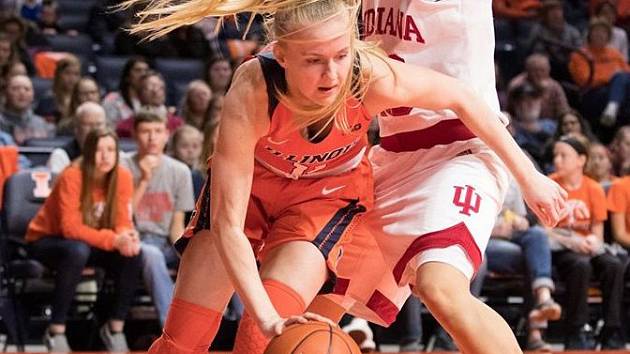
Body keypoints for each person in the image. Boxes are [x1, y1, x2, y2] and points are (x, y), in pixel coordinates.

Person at [123, 1, 567, 353]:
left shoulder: (366, 74)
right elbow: (228, 226)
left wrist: (529, 177)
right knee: (182, 342)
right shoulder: (254, 88)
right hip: (259, 190)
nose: (332, 73)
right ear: (281, 54)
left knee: (266, 341)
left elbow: (460, 96)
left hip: (326, 196)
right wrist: (259, 310)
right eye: (315, 60)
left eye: (340, 56)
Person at [25, 128, 142, 352]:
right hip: (47, 240)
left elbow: (121, 221)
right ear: (88, 152)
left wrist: (126, 236)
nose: (105, 156)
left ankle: (114, 327)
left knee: (133, 254)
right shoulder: (72, 175)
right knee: (77, 251)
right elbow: (71, 229)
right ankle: (56, 329)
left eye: (110, 150)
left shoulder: (123, 177)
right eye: (99, 150)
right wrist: (114, 239)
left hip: (91, 242)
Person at [548, 135, 626, 349]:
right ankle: (576, 329)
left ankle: (611, 329)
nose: (557, 160)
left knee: (614, 265)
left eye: (563, 155)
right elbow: (545, 231)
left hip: (587, 247)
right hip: (561, 249)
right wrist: (573, 242)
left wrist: (591, 242)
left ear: (581, 160)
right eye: (555, 155)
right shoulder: (550, 184)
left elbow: (598, 234)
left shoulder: (593, 188)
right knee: (580, 265)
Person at [120, 110, 195, 326]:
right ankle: (173, 325)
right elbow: (124, 215)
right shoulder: (122, 166)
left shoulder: (180, 171)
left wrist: (189, 253)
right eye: (145, 131)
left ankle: (239, 326)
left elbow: (177, 225)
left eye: (157, 131)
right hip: (134, 239)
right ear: (134, 134)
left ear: (167, 134)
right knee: (152, 255)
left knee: (209, 253)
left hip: (165, 242)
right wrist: (143, 180)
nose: (152, 138)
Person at [47, 102, 108, 173]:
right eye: (88, 125)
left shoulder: (117, 155)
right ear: (76, 128)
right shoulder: (60, 156)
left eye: (98, 124)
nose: (94, 129)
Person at [102, 56, 149, 126]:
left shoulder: (150, 100)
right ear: (127, 77)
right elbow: (109, 127)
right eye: (138, 70)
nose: (143, 74)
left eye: (146, 70)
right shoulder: (113, 100)